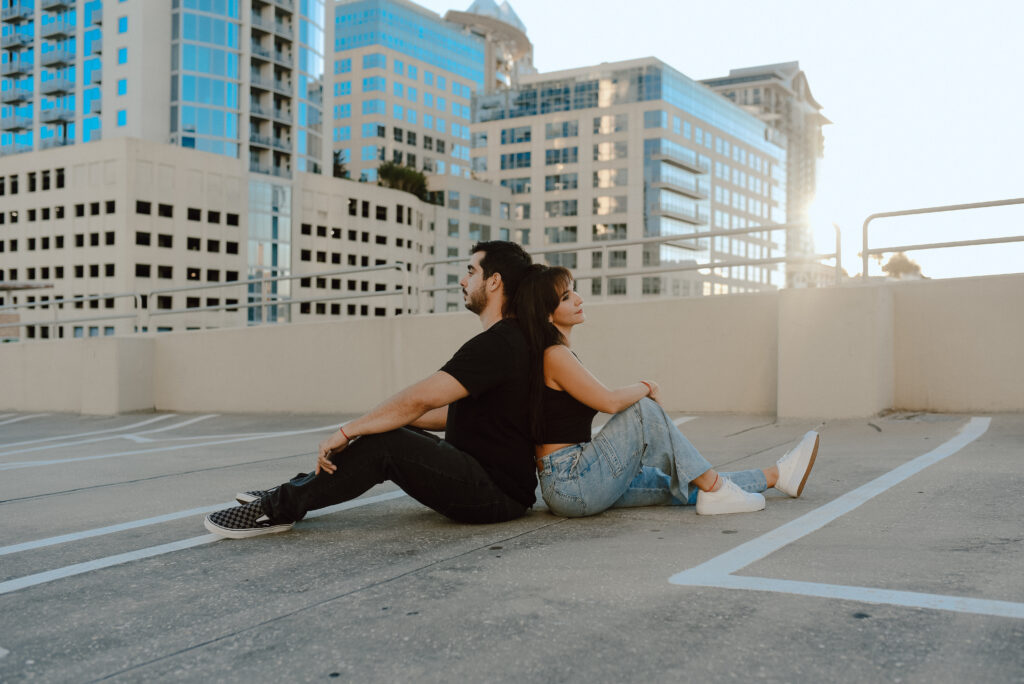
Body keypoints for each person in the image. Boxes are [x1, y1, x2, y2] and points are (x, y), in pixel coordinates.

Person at [204, 241, 537, 538]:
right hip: (492, 484)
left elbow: (422, 397)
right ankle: (290, 490)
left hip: (495, 496)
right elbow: (451, 413)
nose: (463, 281)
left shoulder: (499, 344)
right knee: (391, 425)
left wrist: (348, 431)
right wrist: (388, 421)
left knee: (386, 440)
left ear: (494, 281)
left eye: (471, 272)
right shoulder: (507, 340)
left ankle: (275, 510)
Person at [511, 264, 819, 518]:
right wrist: (647, 387)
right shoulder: (554, 355)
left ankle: (776, 476)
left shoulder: (556, 354)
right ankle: (716, 490)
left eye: (572, 290)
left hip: (577, 482)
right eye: (565, 297)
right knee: (642, 411)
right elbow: (610, 401)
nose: (577, 298)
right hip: (572, 481)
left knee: (676, 483)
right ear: (548, 315)